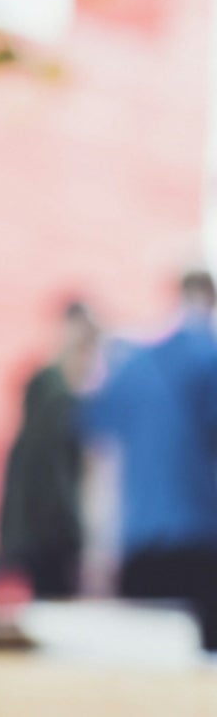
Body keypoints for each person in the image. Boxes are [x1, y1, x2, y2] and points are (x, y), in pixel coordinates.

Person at [82, 268, 217, 650]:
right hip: (202, 542)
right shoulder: (210, 357)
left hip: (139, 544)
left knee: (149, 672)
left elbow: (101, 460)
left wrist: (97, 551)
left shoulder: (130, 364)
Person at [0, 299, 99, 605]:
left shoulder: (48, 389)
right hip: (48, 534)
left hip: (32, 530)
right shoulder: (57, 394)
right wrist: (72, 531)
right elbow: (53, 475)